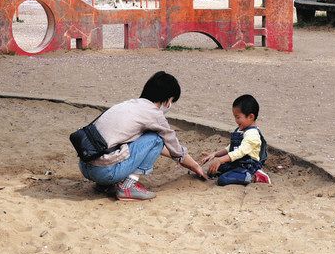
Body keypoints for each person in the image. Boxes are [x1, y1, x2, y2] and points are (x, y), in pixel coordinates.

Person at [78, 71, 206, 200]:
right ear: (167, 99)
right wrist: (195, 166)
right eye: (172, 100)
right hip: (104, 172)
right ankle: (127, 186)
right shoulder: (154, 114)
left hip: (85, 167)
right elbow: (175, 149)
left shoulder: (130, 104)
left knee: (141, 140)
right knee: (157, 138)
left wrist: (184, 160)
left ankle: (105, 185)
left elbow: (155, 148)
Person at [201, 94, 271, 186]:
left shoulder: (252, 134)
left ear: (250, 117)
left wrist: (220, 160)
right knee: (216, 169)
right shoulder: (241, 129)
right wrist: (215, 154)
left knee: (223, 180)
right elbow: (230, 148)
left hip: (247, 166)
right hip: (236, 163)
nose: (236, 120)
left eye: (238, 117)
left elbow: (240, 152)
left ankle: (255, 176)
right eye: (235, 117)